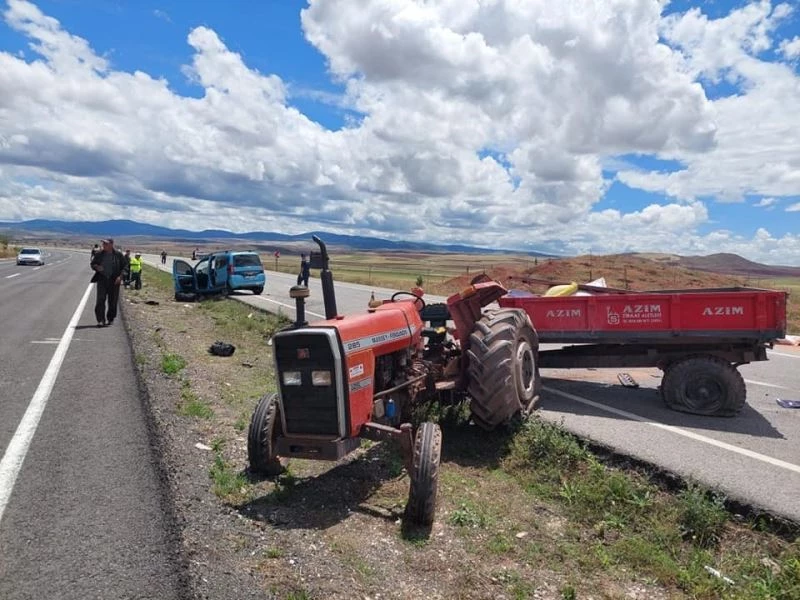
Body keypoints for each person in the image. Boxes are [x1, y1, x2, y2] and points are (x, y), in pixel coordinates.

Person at [90, 238, 125, 327]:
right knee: (100, 300)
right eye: (103, 243)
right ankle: (100, 320)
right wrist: (97, 267)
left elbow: (125, 267)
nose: (104, 245)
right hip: (102, 279)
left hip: (114, 281)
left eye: (106, 244)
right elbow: (93, 264)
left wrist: (120, 277)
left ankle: (110, 318)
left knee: (112, 301)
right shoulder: (99, 254)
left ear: (111, 244)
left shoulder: (118, 255)